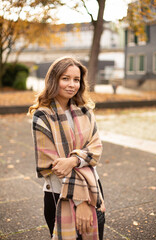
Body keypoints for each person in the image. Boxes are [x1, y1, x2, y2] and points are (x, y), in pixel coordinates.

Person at [28, 57, 105, 240]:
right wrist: (81, 202)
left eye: (76, 79)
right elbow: (54, 166)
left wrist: (73, 160)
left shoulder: (85, 111)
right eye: (65, 78)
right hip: (59, 192)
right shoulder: (42, 116)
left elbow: (96, 149)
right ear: (54, 80)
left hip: (93, 187)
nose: (72, 84)